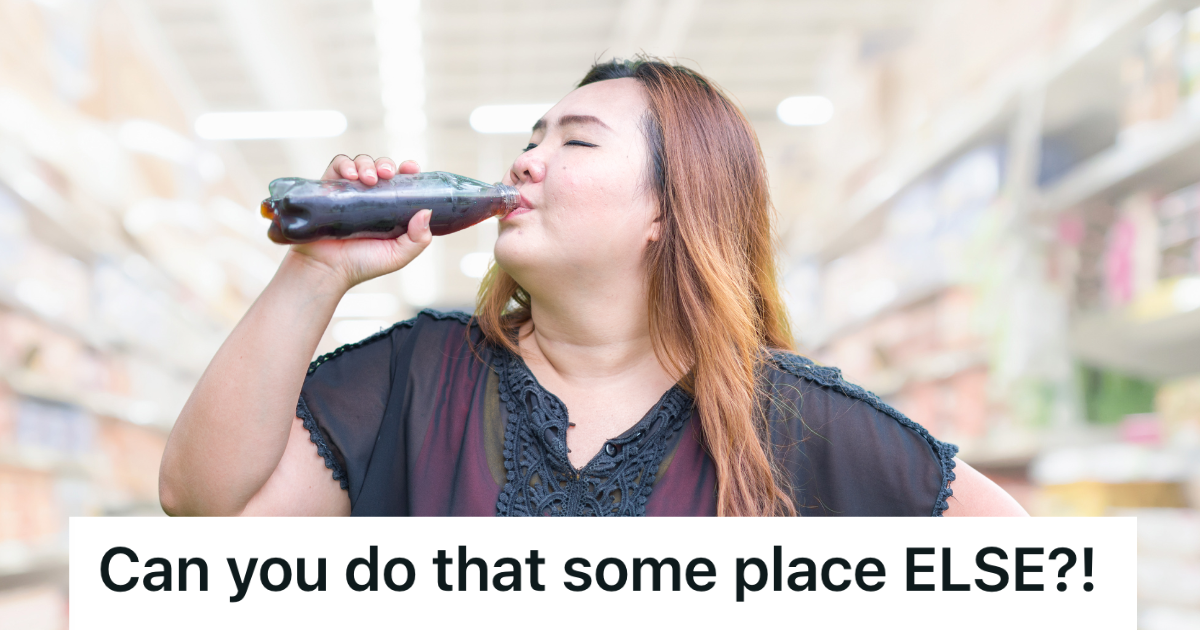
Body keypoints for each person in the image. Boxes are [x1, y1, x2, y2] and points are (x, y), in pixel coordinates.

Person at [158, 58, 1027, 517]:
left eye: (575, 143)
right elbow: (206, 508)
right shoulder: (416, 377)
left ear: (668, 209)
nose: (525, 159)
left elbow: (1018, 564)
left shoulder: (784, 420)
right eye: (534, 136)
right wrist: (318, 269)